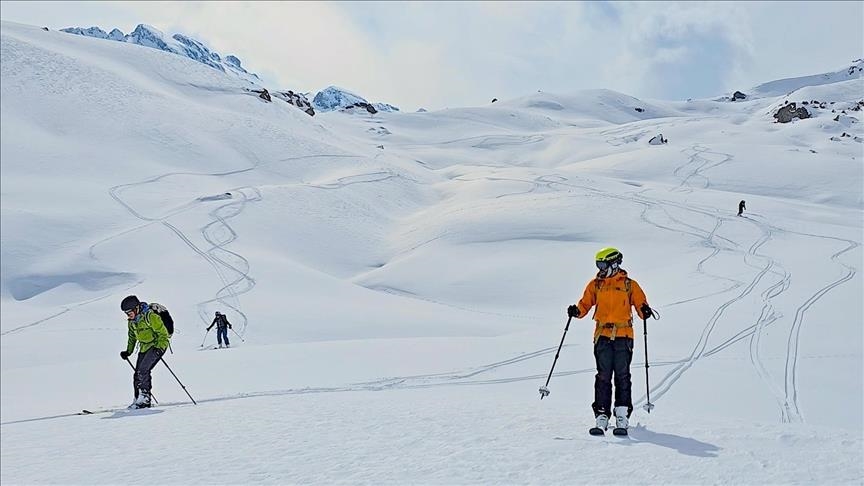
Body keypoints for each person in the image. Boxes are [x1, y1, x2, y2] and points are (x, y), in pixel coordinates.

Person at [567, 248, 653, 433]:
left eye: (603, 264)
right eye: (598, 265)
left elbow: (640, 303)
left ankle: (622, 414)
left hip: (624, 336)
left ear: (614, 263)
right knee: (603, 375)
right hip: (602, 336)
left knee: (622, 375)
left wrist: (644, 310)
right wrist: (576, 311)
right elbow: (585, 304)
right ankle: (601, 414)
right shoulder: (595, 285)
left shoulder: (629, 285)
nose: (600, 268)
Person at [120, 295, 170, 409]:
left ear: (136, 308)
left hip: (157, 345)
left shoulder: (150, 317)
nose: (128, 315)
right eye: (126, 313)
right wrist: (128, 352)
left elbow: (163, 334)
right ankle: (137, 398)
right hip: (144, 347)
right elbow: (132, 337)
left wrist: (159, 348)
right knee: (137, 373)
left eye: (129, 312)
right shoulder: (132, 322)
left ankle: (145, 398)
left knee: (143, 370)